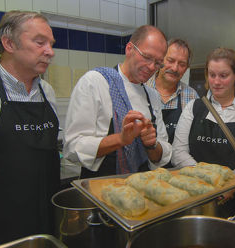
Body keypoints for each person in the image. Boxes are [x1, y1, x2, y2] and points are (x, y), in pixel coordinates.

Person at [172, 47, 235, 218]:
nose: (216, 82)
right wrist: (208, 180)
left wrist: (232, 182)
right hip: (200, 198)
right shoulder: (194, 108)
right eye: (212, 75)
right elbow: (178, 151)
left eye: (223, 75)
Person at [63, 25, 172, 178]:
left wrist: (151, 144)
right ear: (129, 49)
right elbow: (72, 149)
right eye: (147, 57)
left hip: (141, 187)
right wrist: (120, 139)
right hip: (101, 188)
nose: (151, 67)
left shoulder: (152, 95)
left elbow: (162, 154)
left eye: (158, 63)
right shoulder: (96, 82)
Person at [0, 11, 59, 244]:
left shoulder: (47, 92)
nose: (50, 52)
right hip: (5, 226)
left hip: (45, 221)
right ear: (9, 43)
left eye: (51, 44)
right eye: (39, 42)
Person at [146, 38, 199, 145]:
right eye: (170, 61)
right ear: (161, 60)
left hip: (179, 160)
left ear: (186, 68)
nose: (175, 68)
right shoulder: (142, 88)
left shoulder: (192, 97)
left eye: (182, 64)